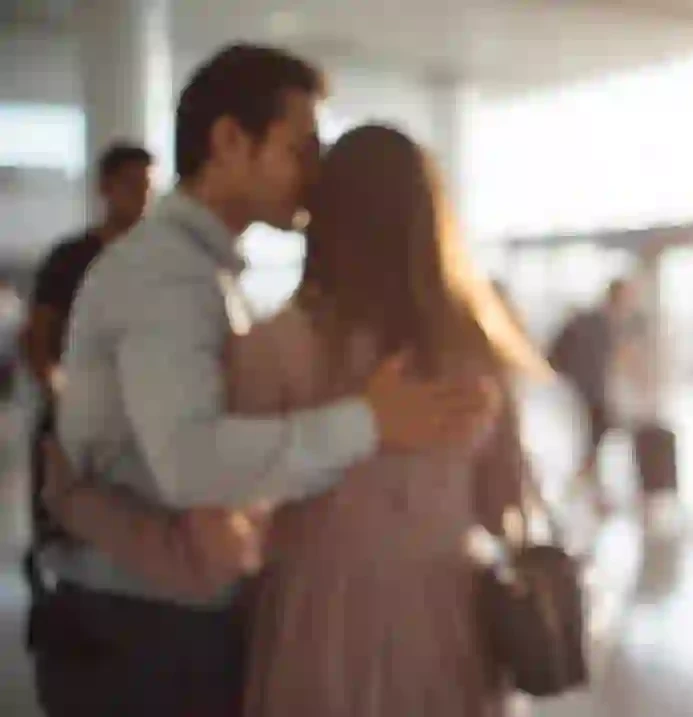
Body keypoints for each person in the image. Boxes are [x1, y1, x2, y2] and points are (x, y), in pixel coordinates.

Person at [34, 46, 497, 717]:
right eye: (301, 149)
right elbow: (190, 464)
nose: (316, 176)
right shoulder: (168, 276)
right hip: (139, 628)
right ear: (229, 141)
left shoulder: (213, 280)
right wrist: (367, 423)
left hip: (156, 612)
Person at [19, 142, 153, 651]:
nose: (140, 197)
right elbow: (39, 336)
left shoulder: (152, 261)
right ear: (105, 188)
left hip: (134, 424)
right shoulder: (71, 258)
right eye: (130, 185)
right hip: (74, 418)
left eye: (147, 187)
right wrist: (63, 402)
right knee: (62, 531)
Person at [548, 278, 637, 511]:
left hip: (584, 391)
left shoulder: (596, 321)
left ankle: (586, 490)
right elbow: (594, 367)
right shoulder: (598, 324)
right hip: (588, 393)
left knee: (594, 442)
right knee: (595, 440)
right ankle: (584, 491)